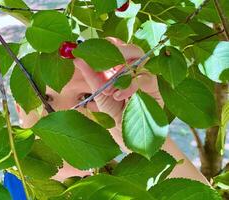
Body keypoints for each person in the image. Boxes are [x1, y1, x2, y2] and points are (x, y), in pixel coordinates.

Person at [15, 37, 209, 185]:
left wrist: (142, 136)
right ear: (18, 109)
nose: (64, 117)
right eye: (45, 98)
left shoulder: (127, 188)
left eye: (86, 98)